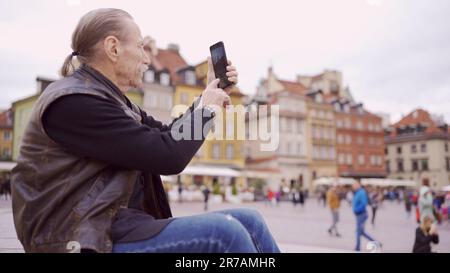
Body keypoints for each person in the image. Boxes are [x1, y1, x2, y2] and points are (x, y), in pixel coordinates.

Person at [11, 8, 280, 253]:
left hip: (113, 226)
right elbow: (168, 156)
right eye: (141, 47)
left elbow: (169, 136)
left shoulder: (112, 100)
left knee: (250, 220)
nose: (147, 59)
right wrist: (206, 110)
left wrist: (205, 96)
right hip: (78, 238)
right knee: (224, 234)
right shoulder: (74, 102)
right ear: (113, 48)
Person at [352, 180, 380, 251]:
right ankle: (377, 243)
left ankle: (357, 247)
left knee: (359, 232)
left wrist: (356, 210)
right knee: (361, 232)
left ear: (358, 185)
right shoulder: (358, 192)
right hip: (359, 214)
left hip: (361, 214)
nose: (353, 187)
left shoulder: (361, 192)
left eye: (354, 185)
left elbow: (364, 203)